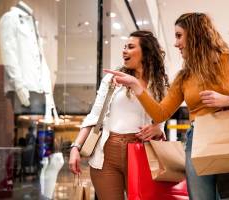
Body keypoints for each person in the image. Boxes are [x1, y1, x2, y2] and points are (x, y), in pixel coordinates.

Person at [104, 13, 229, 200]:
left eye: (179, 35)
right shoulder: (184, 76)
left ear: (196, 34)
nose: (175, 43)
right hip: (198, 140)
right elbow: (160, 114)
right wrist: (135, 85)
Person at [69, 30, 169, 199]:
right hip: (107, 154)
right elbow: (94, 116)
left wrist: (158, 130)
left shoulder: (160, 85)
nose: (124, 51)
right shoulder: (112, 80)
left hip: (143, 153)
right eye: (124, 47)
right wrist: (75, 147)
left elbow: (162, 118)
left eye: (130, 47)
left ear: (146, 52)